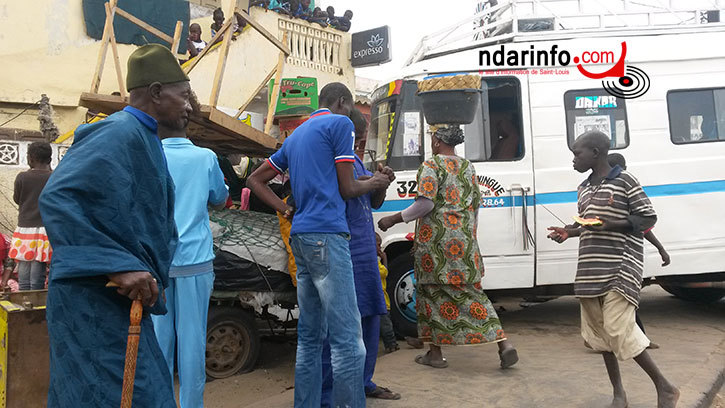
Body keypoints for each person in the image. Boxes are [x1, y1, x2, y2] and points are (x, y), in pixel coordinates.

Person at [39, 44, 191, 407]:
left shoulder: (145, 137)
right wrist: (119, 265)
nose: (189, 106)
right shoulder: (118, 132)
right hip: (92, 301)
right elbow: (57, 197)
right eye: (183, 96)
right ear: (156, 92)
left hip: (117, 301)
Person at [247, 82, 392, 408]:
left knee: (310, 339)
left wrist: (285, 209)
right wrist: (378, 182)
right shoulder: (340, 124)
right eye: (351, 107)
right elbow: (347, 187)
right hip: (328, 237)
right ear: (342, 102)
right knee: (348, 341)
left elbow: (255, 180)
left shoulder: (295, 135)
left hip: (301, 237)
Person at [547, 131, 679, 408]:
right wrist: (568, 232)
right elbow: (585, 224)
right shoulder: (583, 188)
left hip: (620, 266)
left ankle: (665, 386)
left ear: (596, 153)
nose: (573, 159)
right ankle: (619, 393)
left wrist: (610, 225)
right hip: (589, 270)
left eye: (577, 153)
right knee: (601, 336)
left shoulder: (625, 181)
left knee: (618, 329)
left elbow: (647, 217)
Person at [378, 124, 519, 370]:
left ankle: (435, 354)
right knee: (473, 293)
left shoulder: (431, 166)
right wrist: (469, 236)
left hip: (437, 244)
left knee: (430, 295)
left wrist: (394, 219)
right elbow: (476, 206)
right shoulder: (468, 167)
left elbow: (425, 205)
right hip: (464, 242)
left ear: (435, 142)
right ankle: (503, 344)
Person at [151, 102, 228, 407]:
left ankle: (160, 402)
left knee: (159, 339)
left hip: (159, 261)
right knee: (193, 340)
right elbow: (220, 198)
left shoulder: (152, 155)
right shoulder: (205, 157)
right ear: (189, 125)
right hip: (195, 259)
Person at [320, 108, 400, 404]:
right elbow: (348, 191)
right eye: (359, 137)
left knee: (370, 318)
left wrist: (381, 182)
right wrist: (373, 181)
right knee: (339, 326)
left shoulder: (354, 160)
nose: (361, 143)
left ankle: (363, 380)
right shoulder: (334, 161)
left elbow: (370, 198)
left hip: (365, 252)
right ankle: (329, 393)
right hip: (346, 250)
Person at [608, 153, 668, 349]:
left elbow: (644, 226)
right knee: (627, 302)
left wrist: (661, 249)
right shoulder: (622, 191)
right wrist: (661, 249)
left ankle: (635, 340)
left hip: (613, 257)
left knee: (624, 303)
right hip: (623, 258)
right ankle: (639, 342)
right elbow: (645, 227)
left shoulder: (614, 191)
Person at [10, 141, 53, 290]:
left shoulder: (22, 177)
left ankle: (23, 297)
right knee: (38, 262)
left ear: (31, 158)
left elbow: (17, 199)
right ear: (49, 159)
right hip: (44, 227)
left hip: (24, 227)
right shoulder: (54, 177)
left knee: (24, 261)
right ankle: (37, 296)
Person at [376, 233, 399, 353]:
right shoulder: (376, 262)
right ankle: (391, 345)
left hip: (383, 299)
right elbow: (384, 273)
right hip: (382, 301)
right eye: (378, 245)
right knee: (386, 325)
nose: (380, 249)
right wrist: (384, 259)